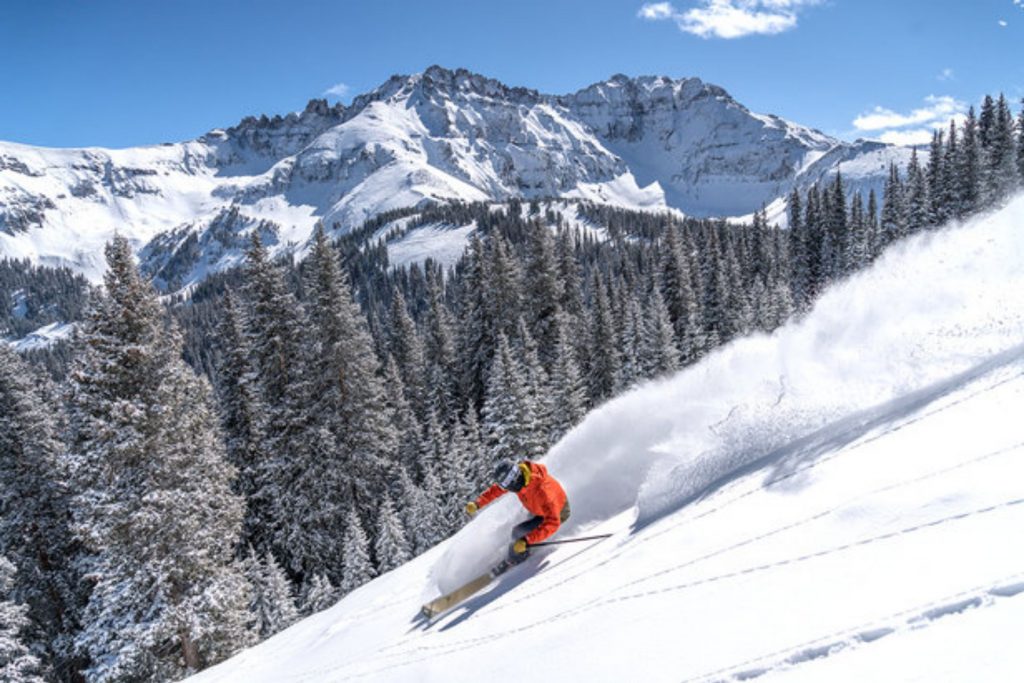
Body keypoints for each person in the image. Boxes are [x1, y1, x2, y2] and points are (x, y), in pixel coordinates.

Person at [465, 460, 570, 564]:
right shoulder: (519, 479)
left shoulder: (543, 491)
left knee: (518, 533)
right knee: (517, 530)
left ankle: (516, 559)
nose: (509, 483)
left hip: (558, 512)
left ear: (517, 472)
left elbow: (553, 523)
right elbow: (497, 490)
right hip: (538, 509)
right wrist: (478, 503)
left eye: (512, 477)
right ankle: (515, 549)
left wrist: (526, 540)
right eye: (505, 483)